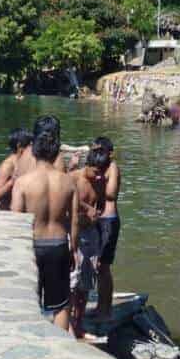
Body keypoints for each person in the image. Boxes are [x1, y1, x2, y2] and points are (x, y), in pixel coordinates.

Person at [10, 129, 79, 331]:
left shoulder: (22, 183)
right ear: (57, 153)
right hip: (58, 245)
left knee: (28, 303)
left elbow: (16, 220)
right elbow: (74, 221)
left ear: (34, 153)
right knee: (61, 307)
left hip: (33, 245)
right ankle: (60, 349)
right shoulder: (68, 182)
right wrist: (73, 249)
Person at [69, 147, 108, 338]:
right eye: (96, 172)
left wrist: (97, 212)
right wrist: (86, 208)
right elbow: (67, 200)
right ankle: (68, 323)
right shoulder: (74, 178)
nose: (99, 177)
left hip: (92, 234)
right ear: (88, 166)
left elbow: (99, 204)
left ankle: (79, 323)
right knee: (72, 282)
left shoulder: (100, 181)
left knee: (86, 283)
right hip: (76, 233)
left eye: (102, 173)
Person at [93, 136, 121, 320]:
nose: (96, 155)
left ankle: (106, 309)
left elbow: (111, 194)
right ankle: (99, 306)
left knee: (104, 266)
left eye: (99, 151)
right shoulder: (95, 167)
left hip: (109, 221)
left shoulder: (113, 168)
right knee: (95, 265)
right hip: (96, 220)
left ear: (109, 153)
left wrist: (98, 180)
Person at [0, 128, 32, 210]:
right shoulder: (7, 166)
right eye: (29, 145)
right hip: (7, 215)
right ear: (19, 145)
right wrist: (11, 182)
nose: (32, 148)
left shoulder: (27, 162)